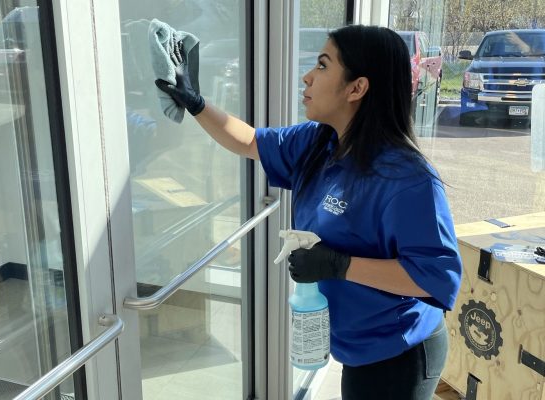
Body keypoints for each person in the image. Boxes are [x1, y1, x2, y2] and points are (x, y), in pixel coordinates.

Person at [155, 24, 462, 400]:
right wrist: (196, 103)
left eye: (322, 65)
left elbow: (435, 279)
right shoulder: (319, 142)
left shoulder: (407, 180)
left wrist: (340, 265)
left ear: (356, 88)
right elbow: (250, 140)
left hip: (398, 354)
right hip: (358, 346)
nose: (307, 76)